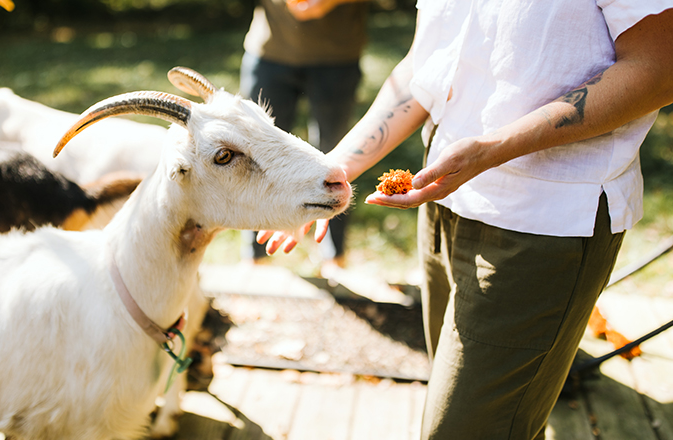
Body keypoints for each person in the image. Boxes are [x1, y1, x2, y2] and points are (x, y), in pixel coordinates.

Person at [259, 1, 673, 438]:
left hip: (542, 223)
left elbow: (659, 67)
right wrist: (332, 173)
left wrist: (493, 147)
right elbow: (426, 64)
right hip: (443, 205)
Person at [240, 0, 370, 266]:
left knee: (336, 153)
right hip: (269, 52)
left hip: (337, 56)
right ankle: (256, 256)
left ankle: (334, 257)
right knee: (256, 154)